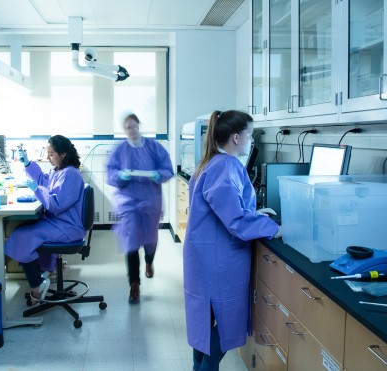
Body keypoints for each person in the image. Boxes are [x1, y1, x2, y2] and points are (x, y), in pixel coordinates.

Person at [183, 110, 281, 371]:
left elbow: (225, 208)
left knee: (204, 325)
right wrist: (272, 227)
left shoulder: (209, 163)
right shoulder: (227, 166)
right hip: (220, 261)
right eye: (250, 135)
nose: (252, 141)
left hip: (202, 258)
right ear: (236, 137)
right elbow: (236, 221)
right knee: (226, 324)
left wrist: (254, 214)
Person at [4, 135, 86, 304]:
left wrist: (37, 191)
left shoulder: (70, 175)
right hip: (59, 222)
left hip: (67, 227)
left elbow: (56, 204)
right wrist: (27, 164)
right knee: (23, 230)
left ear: (63, 154)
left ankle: (37, 285)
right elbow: (43, 181)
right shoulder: (59, 171)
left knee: (22, 236)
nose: (48, 157)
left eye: (51, 154)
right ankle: (42, 276)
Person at [107, 113, 174, 304]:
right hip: (127, 201)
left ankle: (149, 260)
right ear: (124, 129)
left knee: (150, 238)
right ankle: (134, 285)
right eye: (127, 127)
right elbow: (110, 173)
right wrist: (121, 175)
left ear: (139, 126)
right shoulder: (120, 150)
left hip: (151, 199)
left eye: (134, 126)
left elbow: (168, 170)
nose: (131, 130)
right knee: (131, 240)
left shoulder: (154, 147)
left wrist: (157, 174)